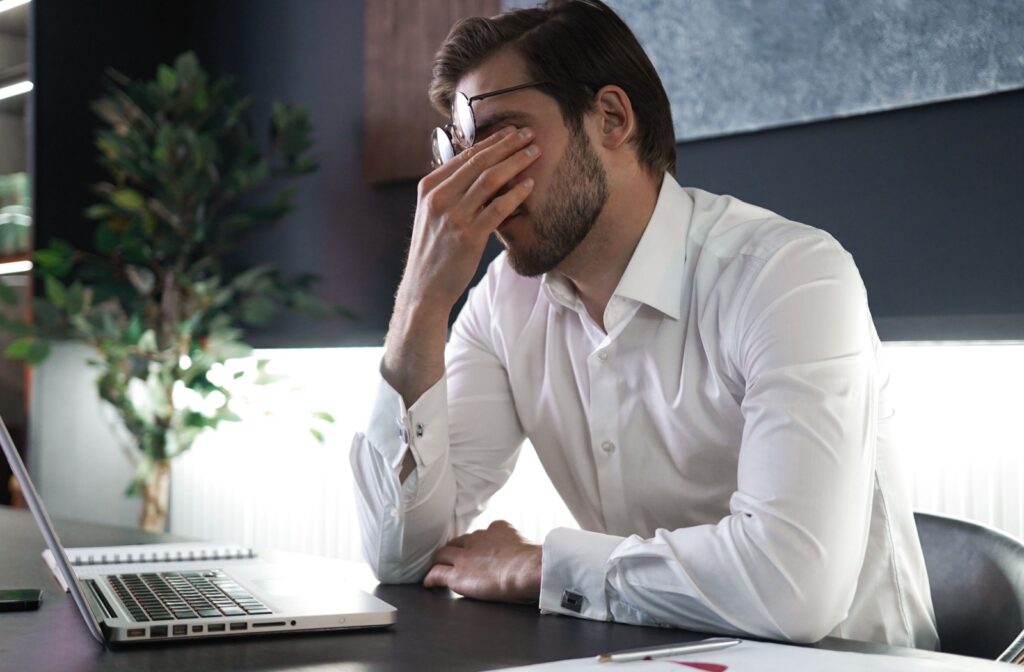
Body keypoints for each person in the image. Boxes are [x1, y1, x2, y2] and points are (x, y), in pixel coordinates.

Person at [350, 0, 939, 649]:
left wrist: (547, 568)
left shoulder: (790, 276)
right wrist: (421, 304)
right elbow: (403, 556)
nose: (469, 179)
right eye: (457, 147)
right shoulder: (503, 303)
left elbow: (792, 589)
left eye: (496, 136)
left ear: (611, 118)